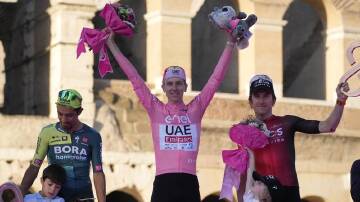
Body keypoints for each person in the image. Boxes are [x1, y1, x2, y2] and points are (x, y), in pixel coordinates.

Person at [106, 28, 238, 201]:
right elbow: (134, 77)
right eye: (170, 84)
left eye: (178, 83)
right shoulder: (156, 109)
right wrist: (111, 43)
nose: (174, 88)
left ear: (185, 86)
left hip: (189, 182)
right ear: (164, 88)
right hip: (163, 183)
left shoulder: (195, 109)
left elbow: (215, 79)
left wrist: (230, 42)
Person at [246, 74, 349, 202]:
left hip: (289, 192)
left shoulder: (287, 122)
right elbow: (240, 171)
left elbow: (328, 126)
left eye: (266, 95)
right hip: (261, 194)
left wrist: (341, 100)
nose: (261, 100)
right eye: (257, 96)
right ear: (250, 102)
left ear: (273, 100)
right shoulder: (243, 131)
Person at [19, 89, 106, 202]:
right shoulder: (47, 133)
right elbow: (34, 167)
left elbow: (98, 172)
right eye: (60, 114)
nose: (63, 119)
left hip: (84, 197)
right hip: (58, 197)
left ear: (79, 111)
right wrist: (20, 193)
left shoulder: (93, 136)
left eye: (69, 115)